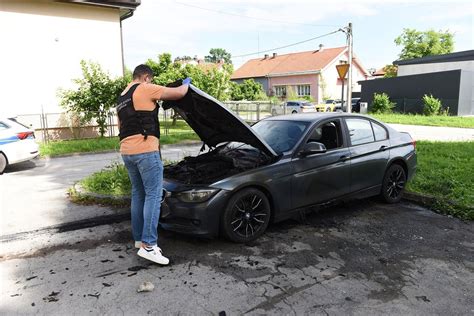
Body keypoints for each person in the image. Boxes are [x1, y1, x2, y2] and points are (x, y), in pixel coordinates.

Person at [116, 64, 190, 265]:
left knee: (138, 194)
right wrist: (187, 83)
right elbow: (178, 93)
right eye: (151, 79)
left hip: (127, 152)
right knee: (153, 195)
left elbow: (122, 127)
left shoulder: (122, 97)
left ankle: (139, 240)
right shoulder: (145, 88)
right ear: (146, 77)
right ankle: (149, 246)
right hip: (146, 151)